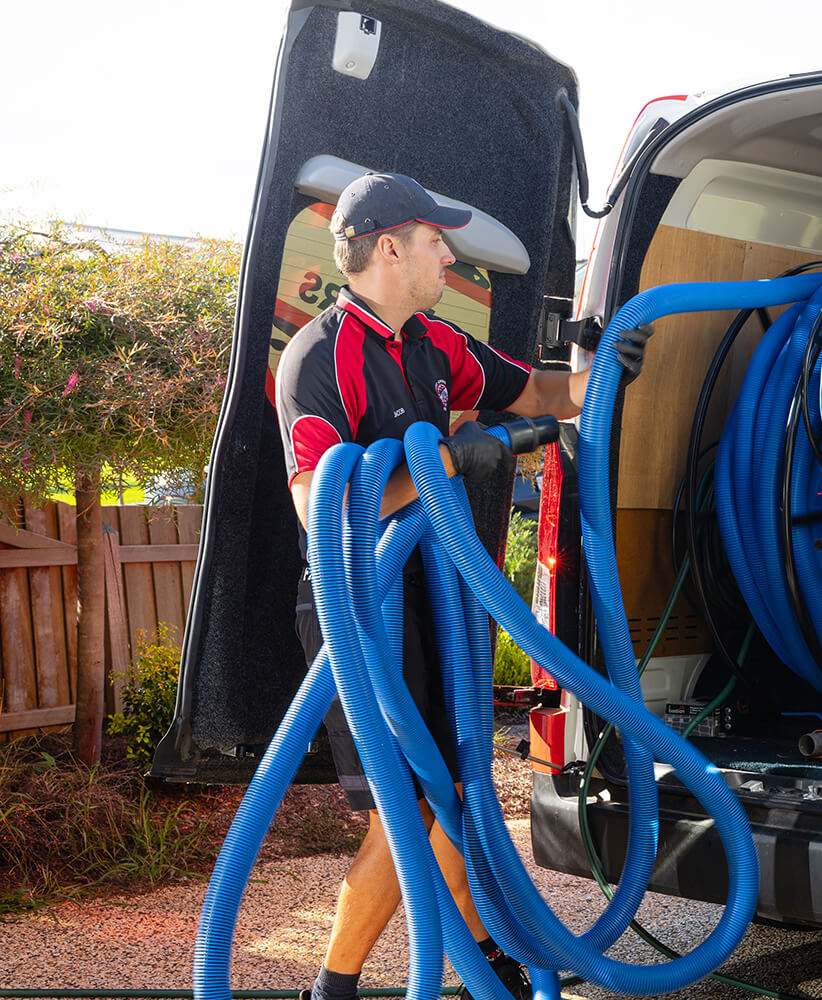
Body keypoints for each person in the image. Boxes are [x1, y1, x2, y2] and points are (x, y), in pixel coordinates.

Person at [275, 172, 649, 1000]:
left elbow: (545, 394)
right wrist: (442, 465)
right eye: (435, 239)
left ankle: (483, 958)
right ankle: (335, 989)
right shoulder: (319, 355)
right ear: (387, 247)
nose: (449, 253)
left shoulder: (439, 345)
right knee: (410, 811)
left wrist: (607, 370)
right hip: (362, 599)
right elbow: (316, 507)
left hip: (440, 588)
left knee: (458, 789)